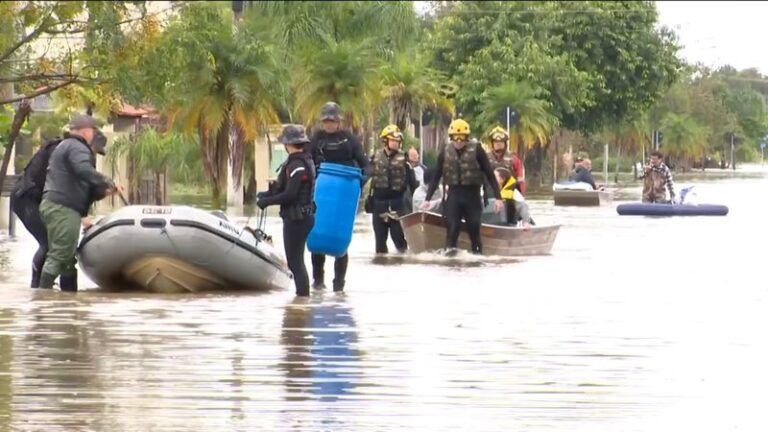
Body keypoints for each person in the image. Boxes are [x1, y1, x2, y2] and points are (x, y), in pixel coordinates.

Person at [37, 115, 120, 291]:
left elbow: (82, 186)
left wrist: (105, 189)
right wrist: (105, 180)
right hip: (63, 208)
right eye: (92, 130)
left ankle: (69, 302)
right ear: (86, 131)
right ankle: (41, 299)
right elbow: (83, 170)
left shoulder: (66, 146)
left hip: (56, 206)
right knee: (60, 255)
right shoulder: (77, 147)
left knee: (67, 261)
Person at [306, 101, 369, 292]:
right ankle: (318, 282)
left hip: (344, 193)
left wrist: (359, 183)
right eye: (326, 120)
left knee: (340, 237)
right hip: (321, 191)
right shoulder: (316, 138)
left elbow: (366, 165)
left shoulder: (349, 139)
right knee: (317, 235)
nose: (329, 124)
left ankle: (339, 285)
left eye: (332, 120)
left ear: (338, 121)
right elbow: (307, 161)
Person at [422, 118, 502, 254]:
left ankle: (477, 258)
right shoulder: (445, 151)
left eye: (462, 138)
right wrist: (427, 199)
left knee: (474, 230)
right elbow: (436, 176)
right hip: (454, 195)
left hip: (472, 196)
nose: (458, 141)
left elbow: (489, 174)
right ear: (451, 138)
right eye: (455, 138)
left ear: (467, 137)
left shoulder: (477, 150)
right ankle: (450, 259)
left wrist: (498, 198)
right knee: (452, 228)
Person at [257, 125, 316, 297]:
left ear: (288, 144)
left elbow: (290, 195)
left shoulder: (298, 164)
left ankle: (303, 299)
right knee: (296, 261)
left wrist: (267, 202)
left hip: (298, 219)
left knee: (295, 261)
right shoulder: (299, 161)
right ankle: (302, 300)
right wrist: (267, 194)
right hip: (299, 217)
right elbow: (284, 189)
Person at [10, 135, 66, 288]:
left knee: (53, 241)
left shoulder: (64, 149)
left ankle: (42, 287)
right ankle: (37, 286)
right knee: (48, 243)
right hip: (24, 198)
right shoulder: (58, 150)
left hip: (34, 198)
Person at [369, 125, 419, 254]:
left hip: (397, 204)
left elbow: (413, 183)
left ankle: (400, 267)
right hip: (379, 203)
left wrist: (418, 201)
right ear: (385, 141)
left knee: (399, 241)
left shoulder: (405, 159)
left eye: (398, 141)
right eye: (393, 140)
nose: (396, 143)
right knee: (380, 244)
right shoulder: (375, 157)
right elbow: (365, 176)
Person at [486, 126, 525, 194]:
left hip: (509, 194)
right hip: (490, 194)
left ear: (505, 144)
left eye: (501, 142)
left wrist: (520, 194)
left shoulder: (513, 159)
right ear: (492, 143)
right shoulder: (485, 158)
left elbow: (520, 179)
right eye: (496, 142)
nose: (498, 144)